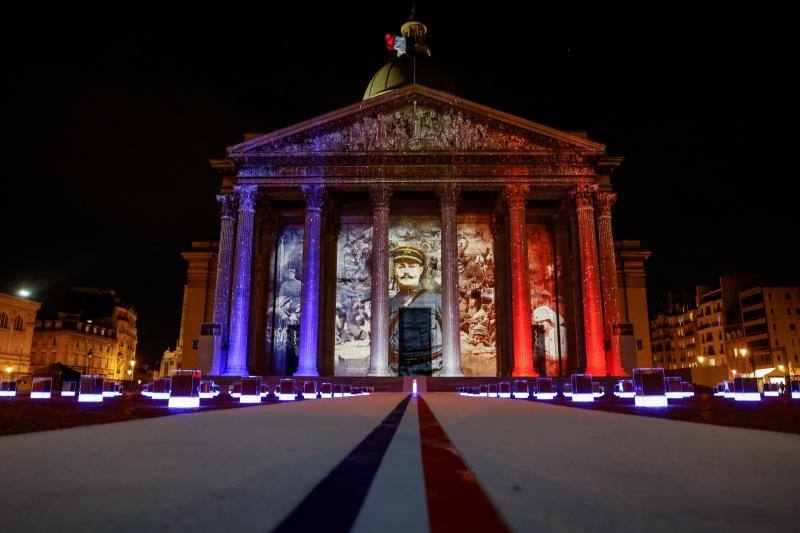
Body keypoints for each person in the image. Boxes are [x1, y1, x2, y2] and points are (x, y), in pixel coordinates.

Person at [388, 246, 442, 376]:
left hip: (433, 370)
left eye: (412, 266)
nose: (406, 271)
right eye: (401, 266)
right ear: (395, 270)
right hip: (398, 370)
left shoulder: (437, 300)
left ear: (420, 270)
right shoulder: (388, 305)